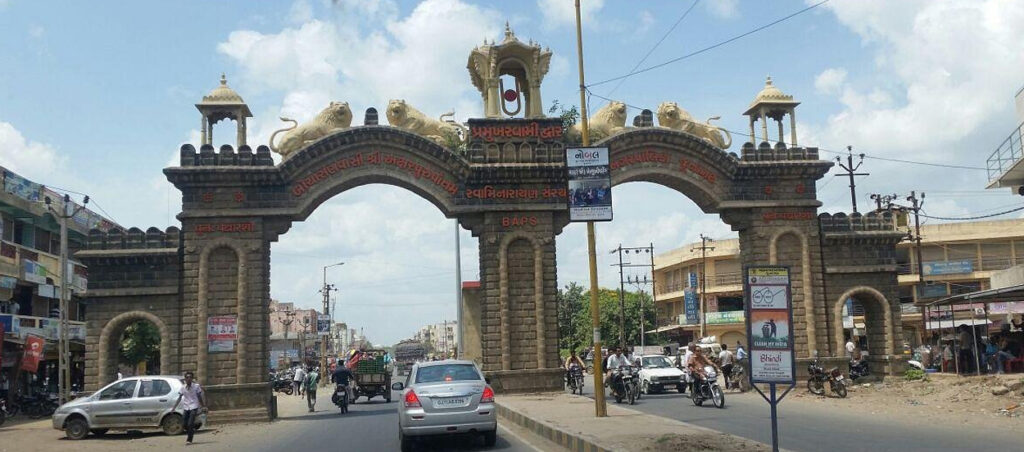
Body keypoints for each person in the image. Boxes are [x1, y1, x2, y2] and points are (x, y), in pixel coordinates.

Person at [171, 371, 206, 445]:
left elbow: (199, 397)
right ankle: (193, 428)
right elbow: (179, 397)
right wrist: (174, 408)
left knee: (190, 423)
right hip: (186, 407)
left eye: (190, 377)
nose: (189, 379)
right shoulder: (183, 387)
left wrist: (203, 406)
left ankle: (189, 439)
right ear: (185, 379)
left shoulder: (196, 386)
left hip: (194, 406)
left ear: (192, 378)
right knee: (184, 424)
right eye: (187, 377)